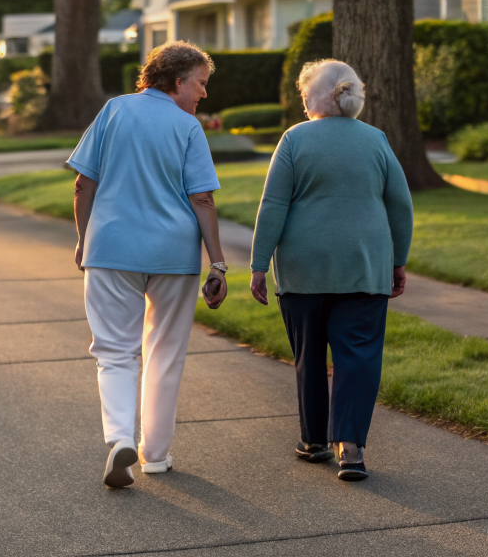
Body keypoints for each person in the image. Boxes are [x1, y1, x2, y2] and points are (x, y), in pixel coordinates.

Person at [69, 41, 229, 489]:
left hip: (111, 248)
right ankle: (154, 455)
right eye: (200, 84)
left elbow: (83, 184)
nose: (203, 93)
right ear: (177, 81)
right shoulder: (187, 127)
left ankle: (120, 438)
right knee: (165, 352)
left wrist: (84, 240)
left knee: (114, 351)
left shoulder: (114, 110)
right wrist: (217, 263)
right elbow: (202, 198)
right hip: (173, 255)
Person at [249, 59, 413, 482]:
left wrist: (258, 265)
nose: (303, 103)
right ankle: (351, 447)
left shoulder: (294, 139)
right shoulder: (376, 140)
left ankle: (314, 441)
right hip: (364, 266)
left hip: (302, 270)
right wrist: (399, 260)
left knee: (309, 355)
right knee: (358, 355)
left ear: (321, 97)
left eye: (305, 95)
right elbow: (400, 205)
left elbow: (273, 205)